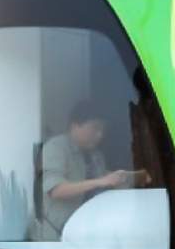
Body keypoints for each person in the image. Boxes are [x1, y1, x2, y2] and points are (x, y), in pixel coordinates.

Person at [35, 101, 142, 240]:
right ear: (75, 126)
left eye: (103, 130)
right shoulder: (55, 148)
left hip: (86, 232)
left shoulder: (96, 155)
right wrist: (101, 181)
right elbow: (56, 190)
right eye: (95, 128)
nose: (100, 135)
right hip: (56, 237)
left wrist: (123, 179)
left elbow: (102, 184)